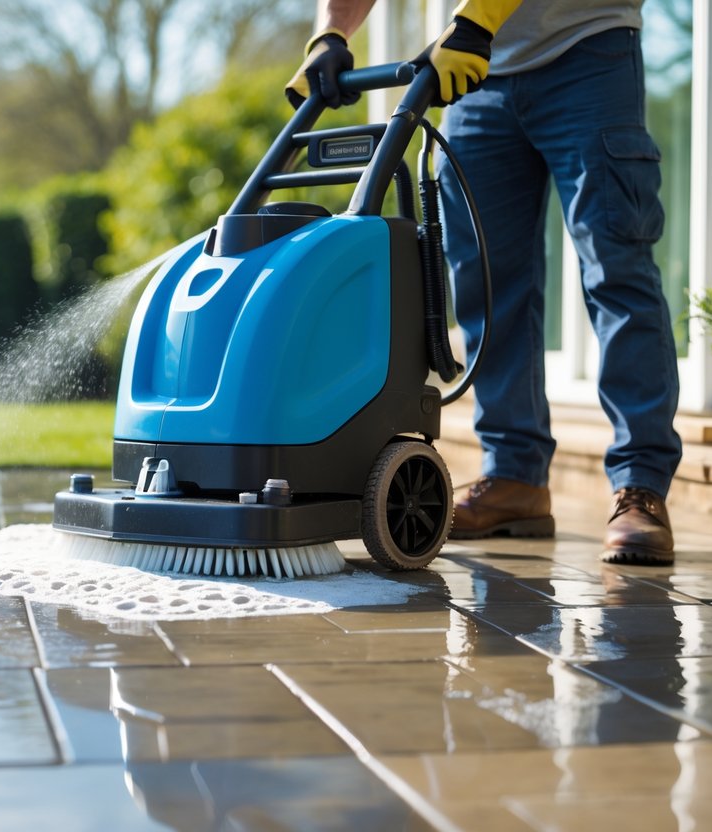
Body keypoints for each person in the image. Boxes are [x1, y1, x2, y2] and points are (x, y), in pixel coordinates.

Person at [286, 0, 682, 565]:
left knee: (615, 270)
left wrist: (475, 23)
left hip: (587, 49)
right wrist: (331, 33)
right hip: (476, 73)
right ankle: (515, 476)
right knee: (486, 283)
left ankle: (641, 485)